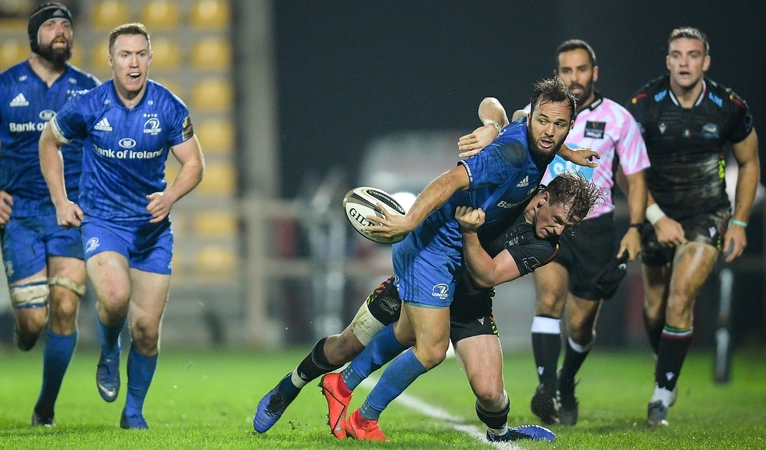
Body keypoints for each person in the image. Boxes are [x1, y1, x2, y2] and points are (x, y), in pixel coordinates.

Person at [309, 77, 580, 441]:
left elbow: (500, 107)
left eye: (559, 125)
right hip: (434, 247)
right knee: (432, 349)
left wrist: (558, 148)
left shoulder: (544, 204)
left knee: (482, 386)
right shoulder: (511, 155)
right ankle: (361, 414)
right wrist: (409, 220)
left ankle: (345, 385)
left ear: (568, 127)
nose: (549, 131)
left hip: (468, 281)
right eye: (544, 121)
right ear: (543, 199)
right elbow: (449, 180)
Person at [254, 172, 601, 442]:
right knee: (348, 345)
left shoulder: (546, 246)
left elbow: (486, 277)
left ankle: (500, 435)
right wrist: (490, 120)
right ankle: (288, 389)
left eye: (567, 226)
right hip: (422, 274)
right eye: (558, 219)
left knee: (491, 394)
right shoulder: (513, 186)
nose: (559, 230)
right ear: (542, 198)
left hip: (469, 300)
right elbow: (497, 124)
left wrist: (469, 233)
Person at [39, 22, 205, 429]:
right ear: (111, 60)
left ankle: (133, 413)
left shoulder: (168, 107)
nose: (134, 63)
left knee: (147, 330)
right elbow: (49, 141)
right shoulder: (89, 105)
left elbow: (195, 164)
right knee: (114, 297)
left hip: (151, 230)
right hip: (103, 222)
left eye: (140, 54)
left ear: (150, 58)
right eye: (125, 55)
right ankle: (110, 349)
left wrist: (170, 197)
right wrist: (61, 201)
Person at [0, 3, 99, 426]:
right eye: (51, 26)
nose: (61, 32)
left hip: (68, 212)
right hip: (20, 213)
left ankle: (45, 408)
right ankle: (24, 332)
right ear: (33, 36)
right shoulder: (4, 86)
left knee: (64, 304)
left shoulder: (89, 88)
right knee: (32, 321)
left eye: (66, 26)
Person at [510, 39, 649, 426]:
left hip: (597, 228)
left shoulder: (619, 119)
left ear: (595, 72)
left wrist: (636, 227)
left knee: (581, 325)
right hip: (549, 224)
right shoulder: (541, 114)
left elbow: (636, 181)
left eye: (581, 69)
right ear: (558, 73)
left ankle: (566, 382)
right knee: (549, 300)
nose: (574, 77)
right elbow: (507, 131)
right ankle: (546, 391)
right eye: (566, 70)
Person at [625, 27, 759, 427]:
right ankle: (665, 360)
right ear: (667, 61)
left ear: (706, 62)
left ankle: (661, 396)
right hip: (656, 214)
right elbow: (626, 171)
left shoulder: (729, 106)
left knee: (681, 295)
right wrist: (656, 217)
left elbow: (749, 163)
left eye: (693, 55)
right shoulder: (644, 105)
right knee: (654, 311)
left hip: (708, 214)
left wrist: (738, 221)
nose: (685, 62)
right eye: (677, 55)